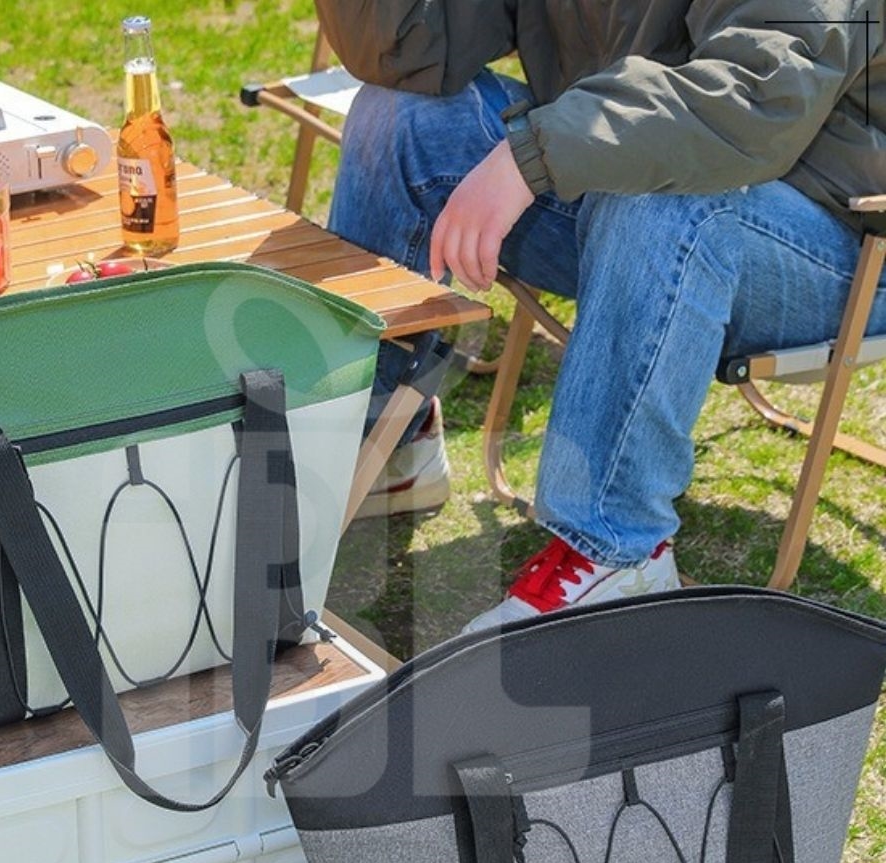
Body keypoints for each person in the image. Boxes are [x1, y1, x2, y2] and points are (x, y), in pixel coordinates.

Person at [319, 0, 886, 630]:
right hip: (627, 197)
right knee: (401, 118)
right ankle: (381, 441)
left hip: (840, 247)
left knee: (659, 194)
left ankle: (616, 552)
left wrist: (532, 157)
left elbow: (757, 95)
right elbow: (415, 45)